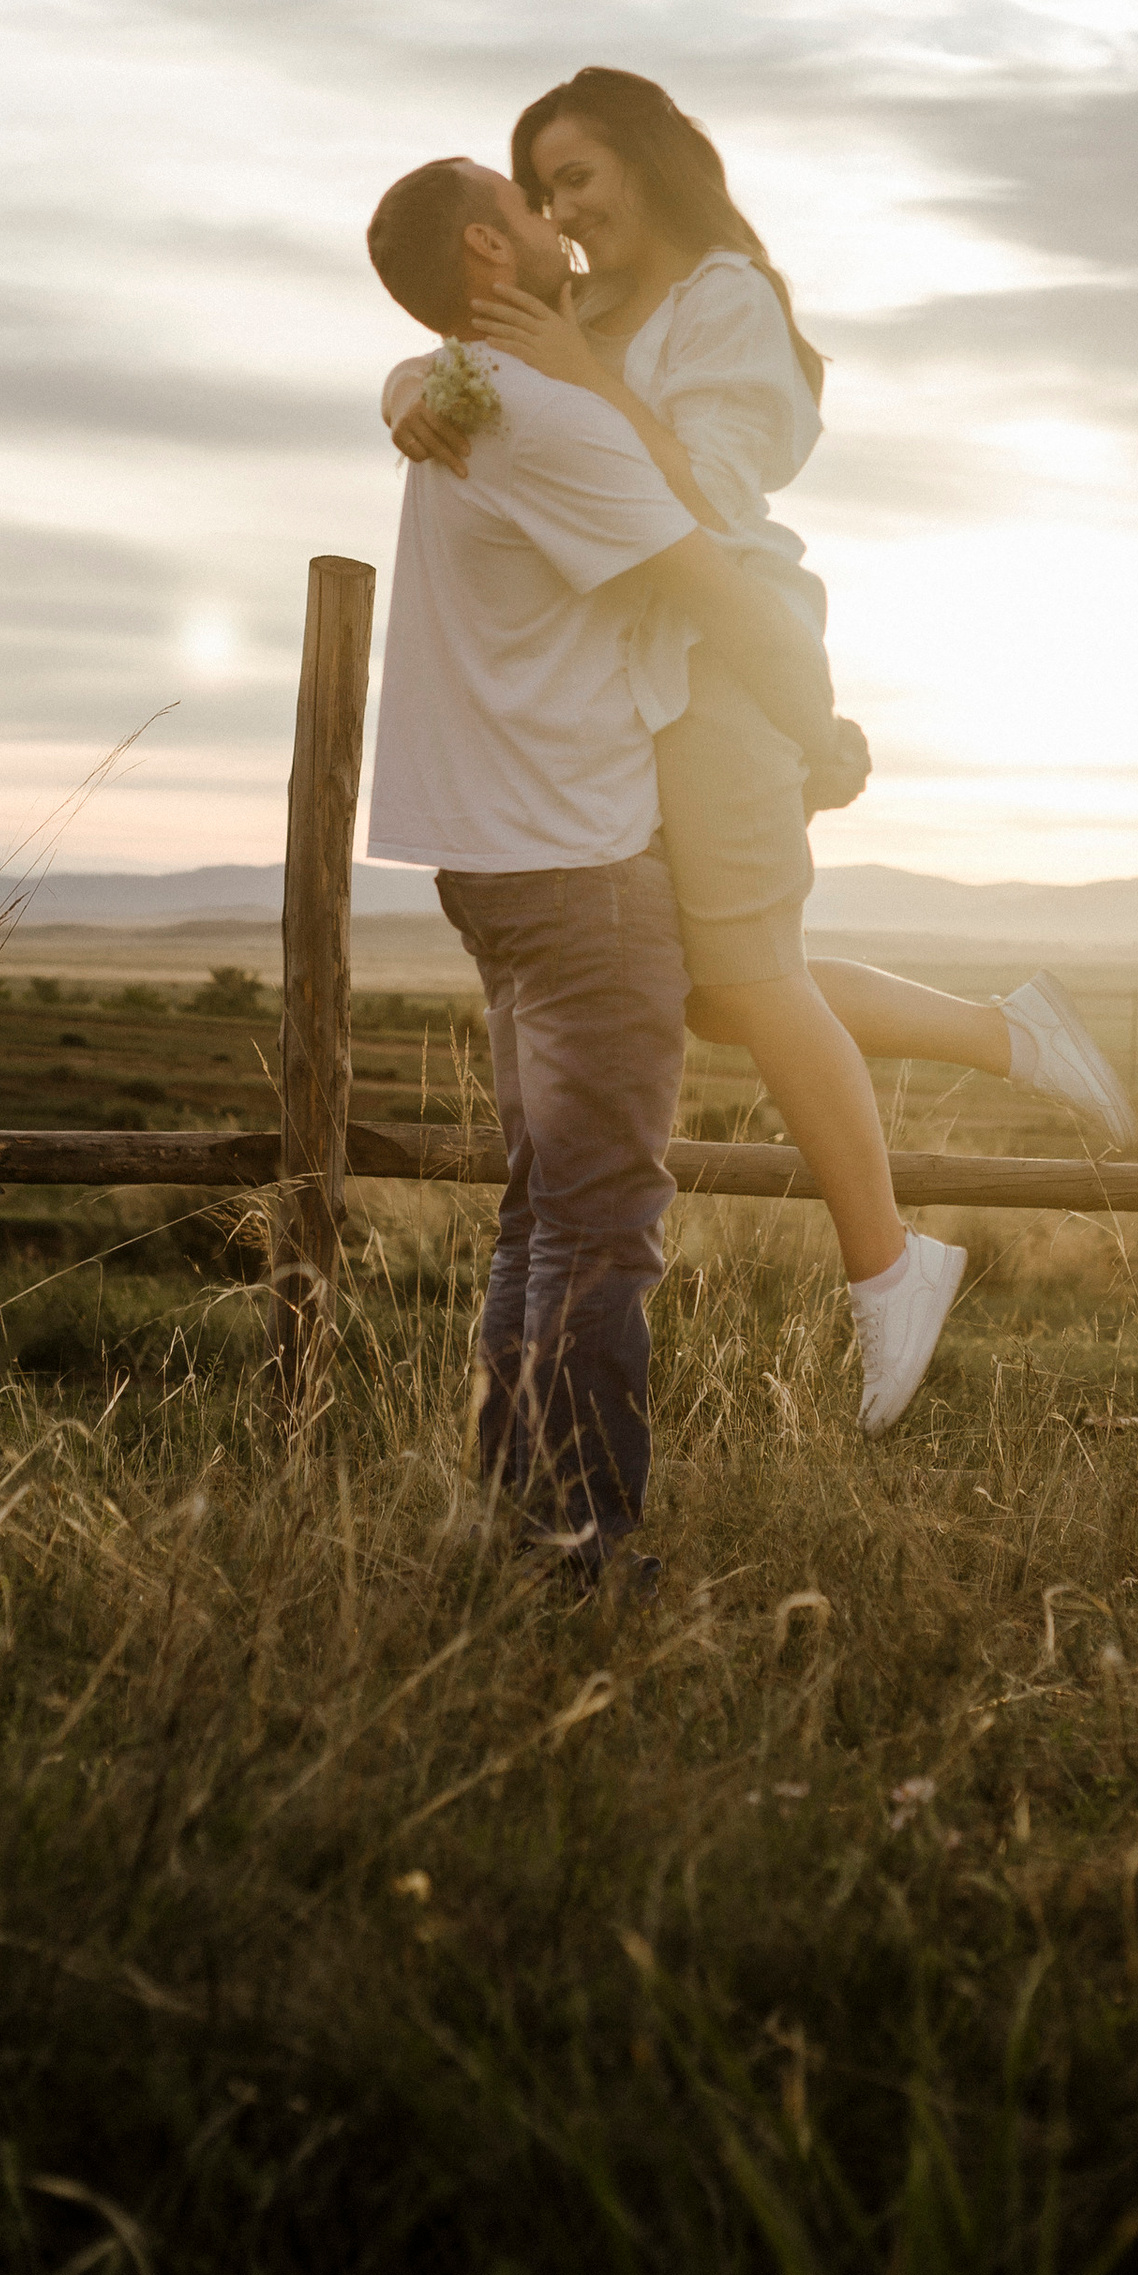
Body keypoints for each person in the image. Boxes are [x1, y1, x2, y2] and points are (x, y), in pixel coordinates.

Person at [383, 65, 1136, 1429]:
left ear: (652, 167)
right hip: (654, 672)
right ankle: (1005, 1032)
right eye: (544, 189)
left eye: (583, 178)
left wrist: (808, 715)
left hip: (724, 653)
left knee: (732, 975)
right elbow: (472, 357)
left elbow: (713, 517)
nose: (567, 210)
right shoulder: (584, 306)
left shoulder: (727, 304)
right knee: (718, 988)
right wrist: (410, 384)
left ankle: (891, 1268)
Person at [363, 152, 957, 1585]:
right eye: (521, 201)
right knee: (605, 1226)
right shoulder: (544, 421)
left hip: (490, 864)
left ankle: (519, 1511)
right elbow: (719, 591)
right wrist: (822, 735)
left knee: (543, 1211)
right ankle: (582, 1544)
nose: (551, 212)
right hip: (578, 865)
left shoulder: (458, 407)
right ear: (489, 257)